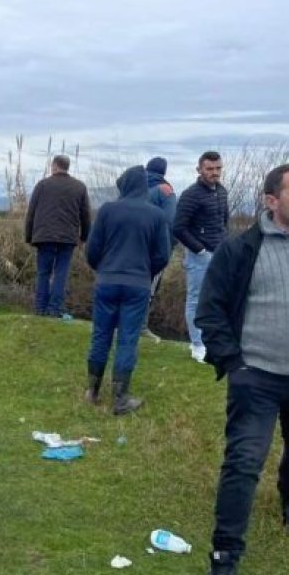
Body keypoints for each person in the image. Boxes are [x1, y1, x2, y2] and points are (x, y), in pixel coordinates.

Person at [196, 164, 289, 575]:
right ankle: (226, 553)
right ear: (271, 200)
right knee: (244, 463)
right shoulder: (241, 249)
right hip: (257, 378)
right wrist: (235, 364)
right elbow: (210, 310)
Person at [84, 166, 170, 415]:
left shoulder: (107, 211)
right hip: (138, 284)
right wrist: (146, 272)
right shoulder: (156, 215)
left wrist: (103, 269)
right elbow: (162, 255)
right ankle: (121, 399)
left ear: (124, 185)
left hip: (107, 281)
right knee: (128, 339)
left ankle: (92, 391)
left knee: (101, 335)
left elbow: (92, 250)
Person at [173, 150, 229, 363]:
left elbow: (224, 223)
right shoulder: (191, 194)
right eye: (210, 169)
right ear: (199, 170)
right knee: (195, 299)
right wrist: (199, 250)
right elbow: (178, 228)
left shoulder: (222, 191)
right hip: (199, 257)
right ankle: (197, 344)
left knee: (216, 299)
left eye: (218, 168)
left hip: (220, 254)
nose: (214, 173)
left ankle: (212, 341)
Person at [24, 154, 91, 317]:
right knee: (61, 272)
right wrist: (84, 237)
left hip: (43, 236)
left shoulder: (42, 185)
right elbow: (86, 215)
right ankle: (55, 309)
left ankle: (40, 308)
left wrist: (29, 236)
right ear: (67, 167)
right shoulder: (80, 187)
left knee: (43, 272)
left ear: (54, 166)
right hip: (68, 237)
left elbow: (31, 213)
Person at [142, 156, 178, 343]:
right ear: (164, 172)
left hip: (128, 247)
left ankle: (120, 324)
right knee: (149, 287)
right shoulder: (165, 191)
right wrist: (168, 248)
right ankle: (140, 326)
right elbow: (170, 222)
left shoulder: (133, 187)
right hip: (153, 249)